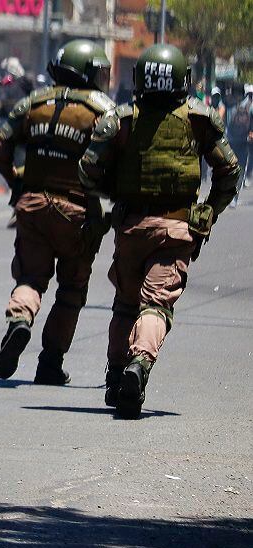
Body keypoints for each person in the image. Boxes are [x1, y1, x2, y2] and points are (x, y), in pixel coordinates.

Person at [79, 44, 240, 418]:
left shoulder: (120, 119)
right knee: (157, 303)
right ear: (183, 79)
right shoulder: (201, 118)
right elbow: (229, 170)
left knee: (124, 304)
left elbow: (87, 171)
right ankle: (139, 365)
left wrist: (114, 195)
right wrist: (209, 212)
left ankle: (116, 376)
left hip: (131, 227)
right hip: (177, 228)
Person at [0, 39, 115, 385]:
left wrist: (15, 181)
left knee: (30, 279)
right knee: (70, 290)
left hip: (31, 205)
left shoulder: (33, 102)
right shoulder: (103, 110)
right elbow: (114, 163)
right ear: (88, 72)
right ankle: (50, 363)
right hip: (77, 214)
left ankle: (19, 321)